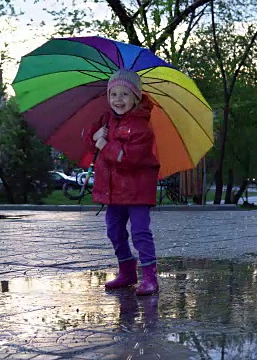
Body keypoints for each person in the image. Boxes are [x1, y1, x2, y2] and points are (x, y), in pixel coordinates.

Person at [84, 69, 160, 296]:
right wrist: (95, 136)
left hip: (137, 191)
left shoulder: (141, 128)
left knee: (140, 232)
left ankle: (150, 277)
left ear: (136, 97)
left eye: (124, 94)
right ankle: (127, 270)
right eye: (113, 94)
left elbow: (127, 159)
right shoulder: (106, 120)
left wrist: (104, 145)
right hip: (113, 190)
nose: (118, 100)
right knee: (114, 231)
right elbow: (91, 144)